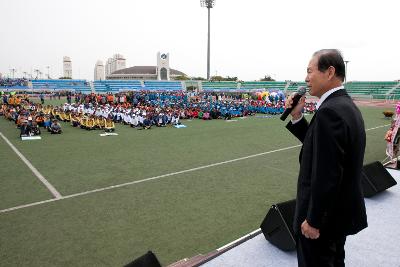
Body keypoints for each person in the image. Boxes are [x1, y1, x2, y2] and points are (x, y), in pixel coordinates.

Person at [285, 49, 367, 267]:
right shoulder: (344, 106)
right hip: (337, 217)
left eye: (310, 71)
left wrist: (313, 220)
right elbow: (321, 149)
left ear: (329, 72)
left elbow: (327, 174)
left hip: (323, 223)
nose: (305, 78)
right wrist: (297, 116)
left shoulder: (331, 112)